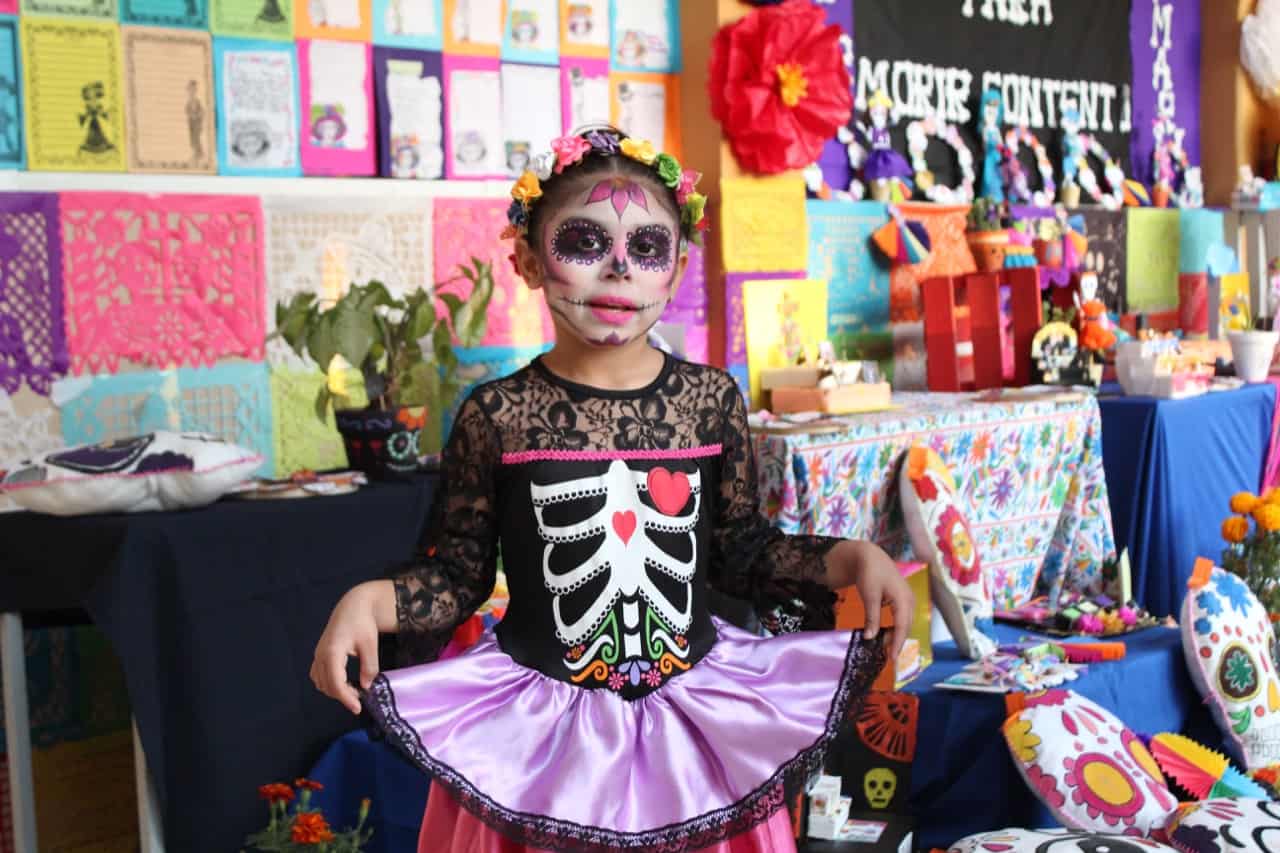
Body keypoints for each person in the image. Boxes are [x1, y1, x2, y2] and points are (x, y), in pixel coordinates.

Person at [311, 125, 914, 853]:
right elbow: (456, 576)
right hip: (541, 753)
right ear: (529, 259)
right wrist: (366, 601)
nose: (620, 270)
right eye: (585, 243)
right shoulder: (495, 415)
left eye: (647, 249)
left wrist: (848, 558)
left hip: (693, 741)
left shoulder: (708, 401)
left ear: (679, 265)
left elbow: (740, 550)